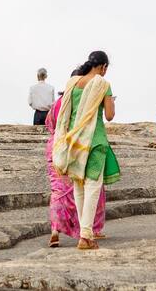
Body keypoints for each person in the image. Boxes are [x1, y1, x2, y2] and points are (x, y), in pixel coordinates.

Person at [51, 50, 118, 250]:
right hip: (95, 141)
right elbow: (110, 115)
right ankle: (86, 235)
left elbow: (65, 113)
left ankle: (84, 233)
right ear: (103, 67)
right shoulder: (103, 85)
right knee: (92, 186)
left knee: (79, 187)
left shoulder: (72, 83)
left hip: (73, 141)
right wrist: (111, 100)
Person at [45, 71, 106, 248]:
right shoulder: (83, 101)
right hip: (75, 145)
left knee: (58, 189)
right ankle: (89, 229)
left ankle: (55, 229)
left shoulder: (58, 104)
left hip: (55, 146)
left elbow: (50, 125)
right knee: (86, 187)